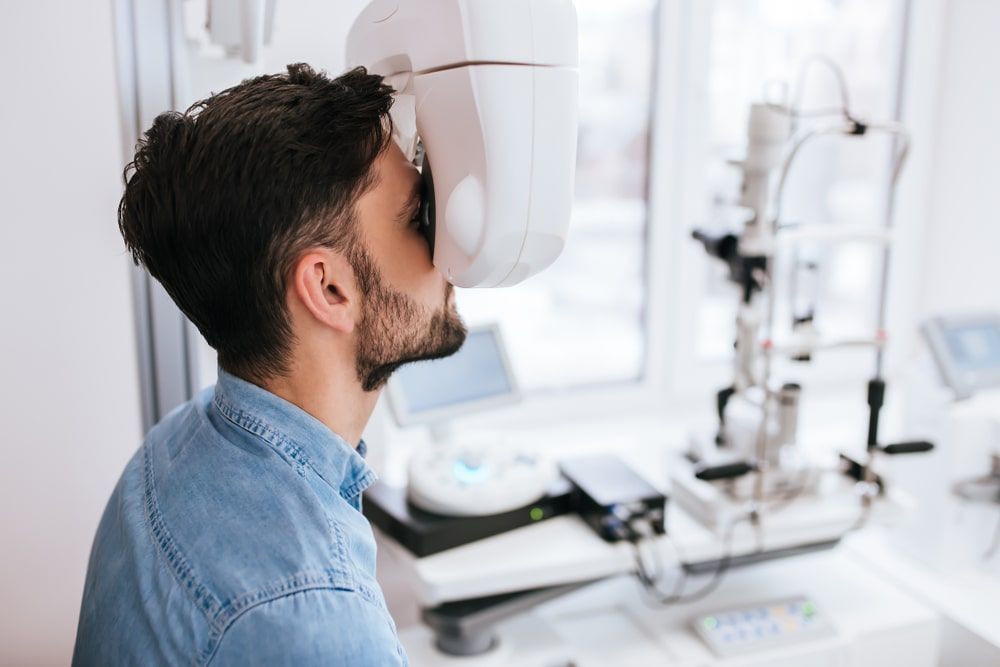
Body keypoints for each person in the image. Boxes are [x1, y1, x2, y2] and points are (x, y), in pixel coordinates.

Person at [73, 63, 466, 666]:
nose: (446, 246)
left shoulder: (174, 445)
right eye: (417, 218)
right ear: (329, 289)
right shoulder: (314, 615)